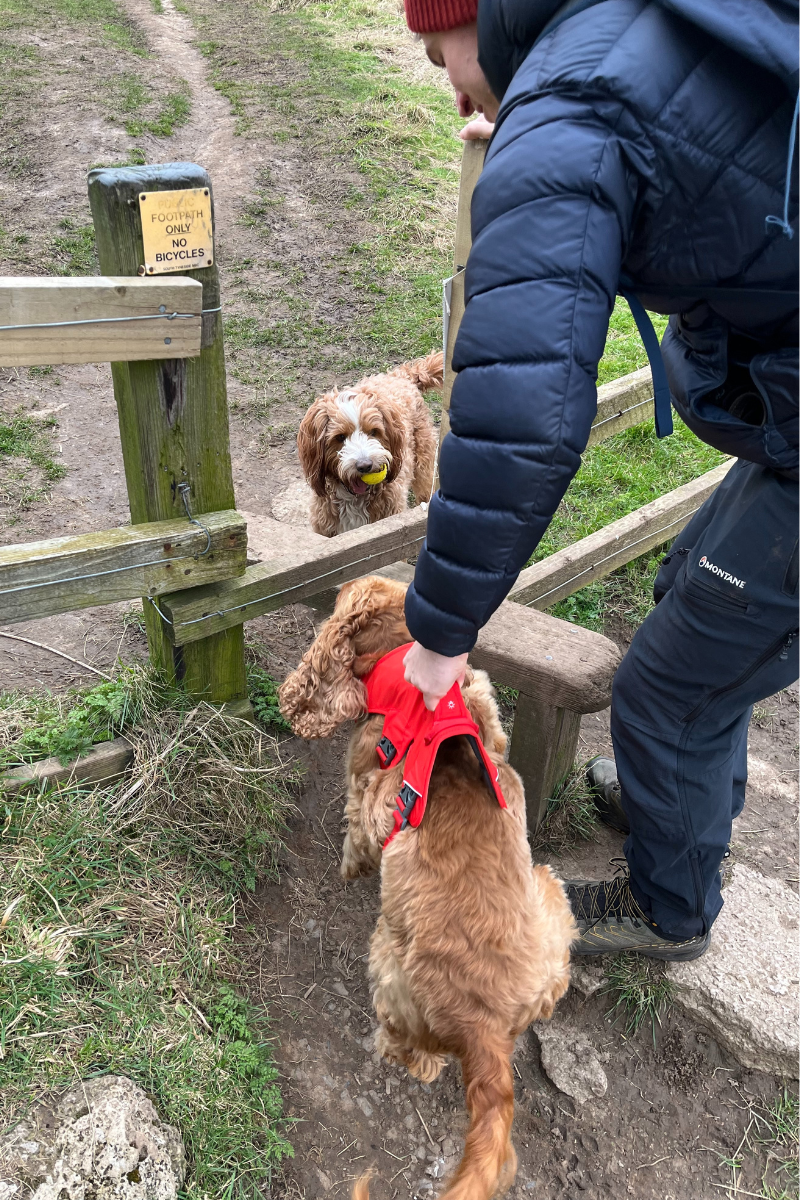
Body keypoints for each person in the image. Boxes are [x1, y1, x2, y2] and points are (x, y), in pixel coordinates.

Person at [400, 0, 799, 961]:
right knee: (692, 591)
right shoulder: (617, 38)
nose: (437, 71)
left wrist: (439, 635)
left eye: (434, 42)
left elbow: (523, 422)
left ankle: (670, 909)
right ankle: (676, 798)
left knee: (667, 687)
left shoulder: (570, 105)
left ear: (479, 18)